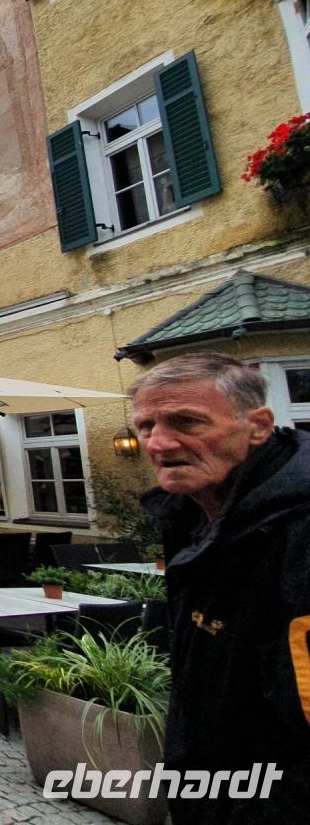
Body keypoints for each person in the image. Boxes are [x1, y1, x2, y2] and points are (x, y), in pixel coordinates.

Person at [131, 353, 309, 824]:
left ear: (258, 426)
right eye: (145, 426)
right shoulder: (192, 514)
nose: (159, 442)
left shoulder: (299, 535)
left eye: (187, 422)